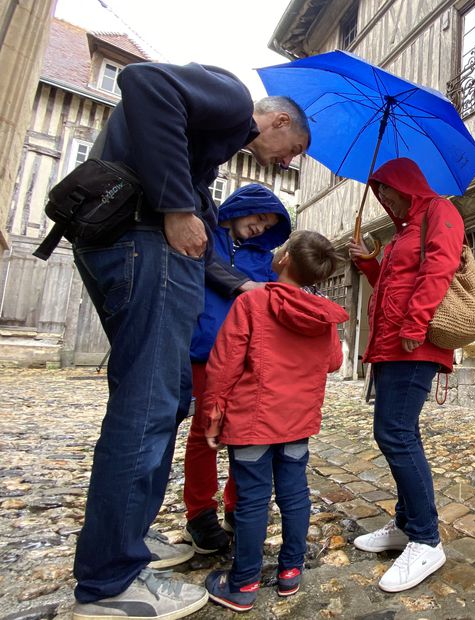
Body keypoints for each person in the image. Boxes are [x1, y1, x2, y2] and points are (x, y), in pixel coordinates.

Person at [70, 61, 309, 620]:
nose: (288, 163)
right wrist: (180, 206)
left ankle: (124, 542)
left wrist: (191, 200)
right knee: (149, 408)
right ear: (274, 121)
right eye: (292, 148)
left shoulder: (209, 145)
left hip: (132, 246)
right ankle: (109, 582)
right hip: (137, 241)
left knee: (164, 401)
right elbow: (143, 82)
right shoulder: (229, 99)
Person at [199, 230, 347, 612]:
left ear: (282, 259)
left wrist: (213, 414)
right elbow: (333, 363)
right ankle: (289, 572)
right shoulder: (322, 315)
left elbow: (224, 363)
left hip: (252, 422)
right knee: (295, 495)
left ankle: (244, 582)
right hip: (297, 421)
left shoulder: (253, 301)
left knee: (251, 501)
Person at [348, 157, 464, 592]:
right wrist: (367, 263)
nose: (385, 198)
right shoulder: (401, 232)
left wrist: (415, 324)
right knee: (395, 432)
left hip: (414, 343)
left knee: (396, 433)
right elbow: (393, 285)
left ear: (407, 185)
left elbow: (440, 268)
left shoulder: (440, 211)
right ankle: (406, 524)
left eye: (389, 190)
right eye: (379, 192)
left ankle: (426, 540)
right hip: (392, 344)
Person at [182, 184, 292, 554]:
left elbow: (275, 293)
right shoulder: (203, 235)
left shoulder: (263, 256)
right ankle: (199, 514)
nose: (260, 228)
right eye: (259, 217)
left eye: (268, 224)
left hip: (245, 356)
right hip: (203, 350)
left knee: (243, 433)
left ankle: (236, 505)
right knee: (203, 435)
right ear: (241, 208)